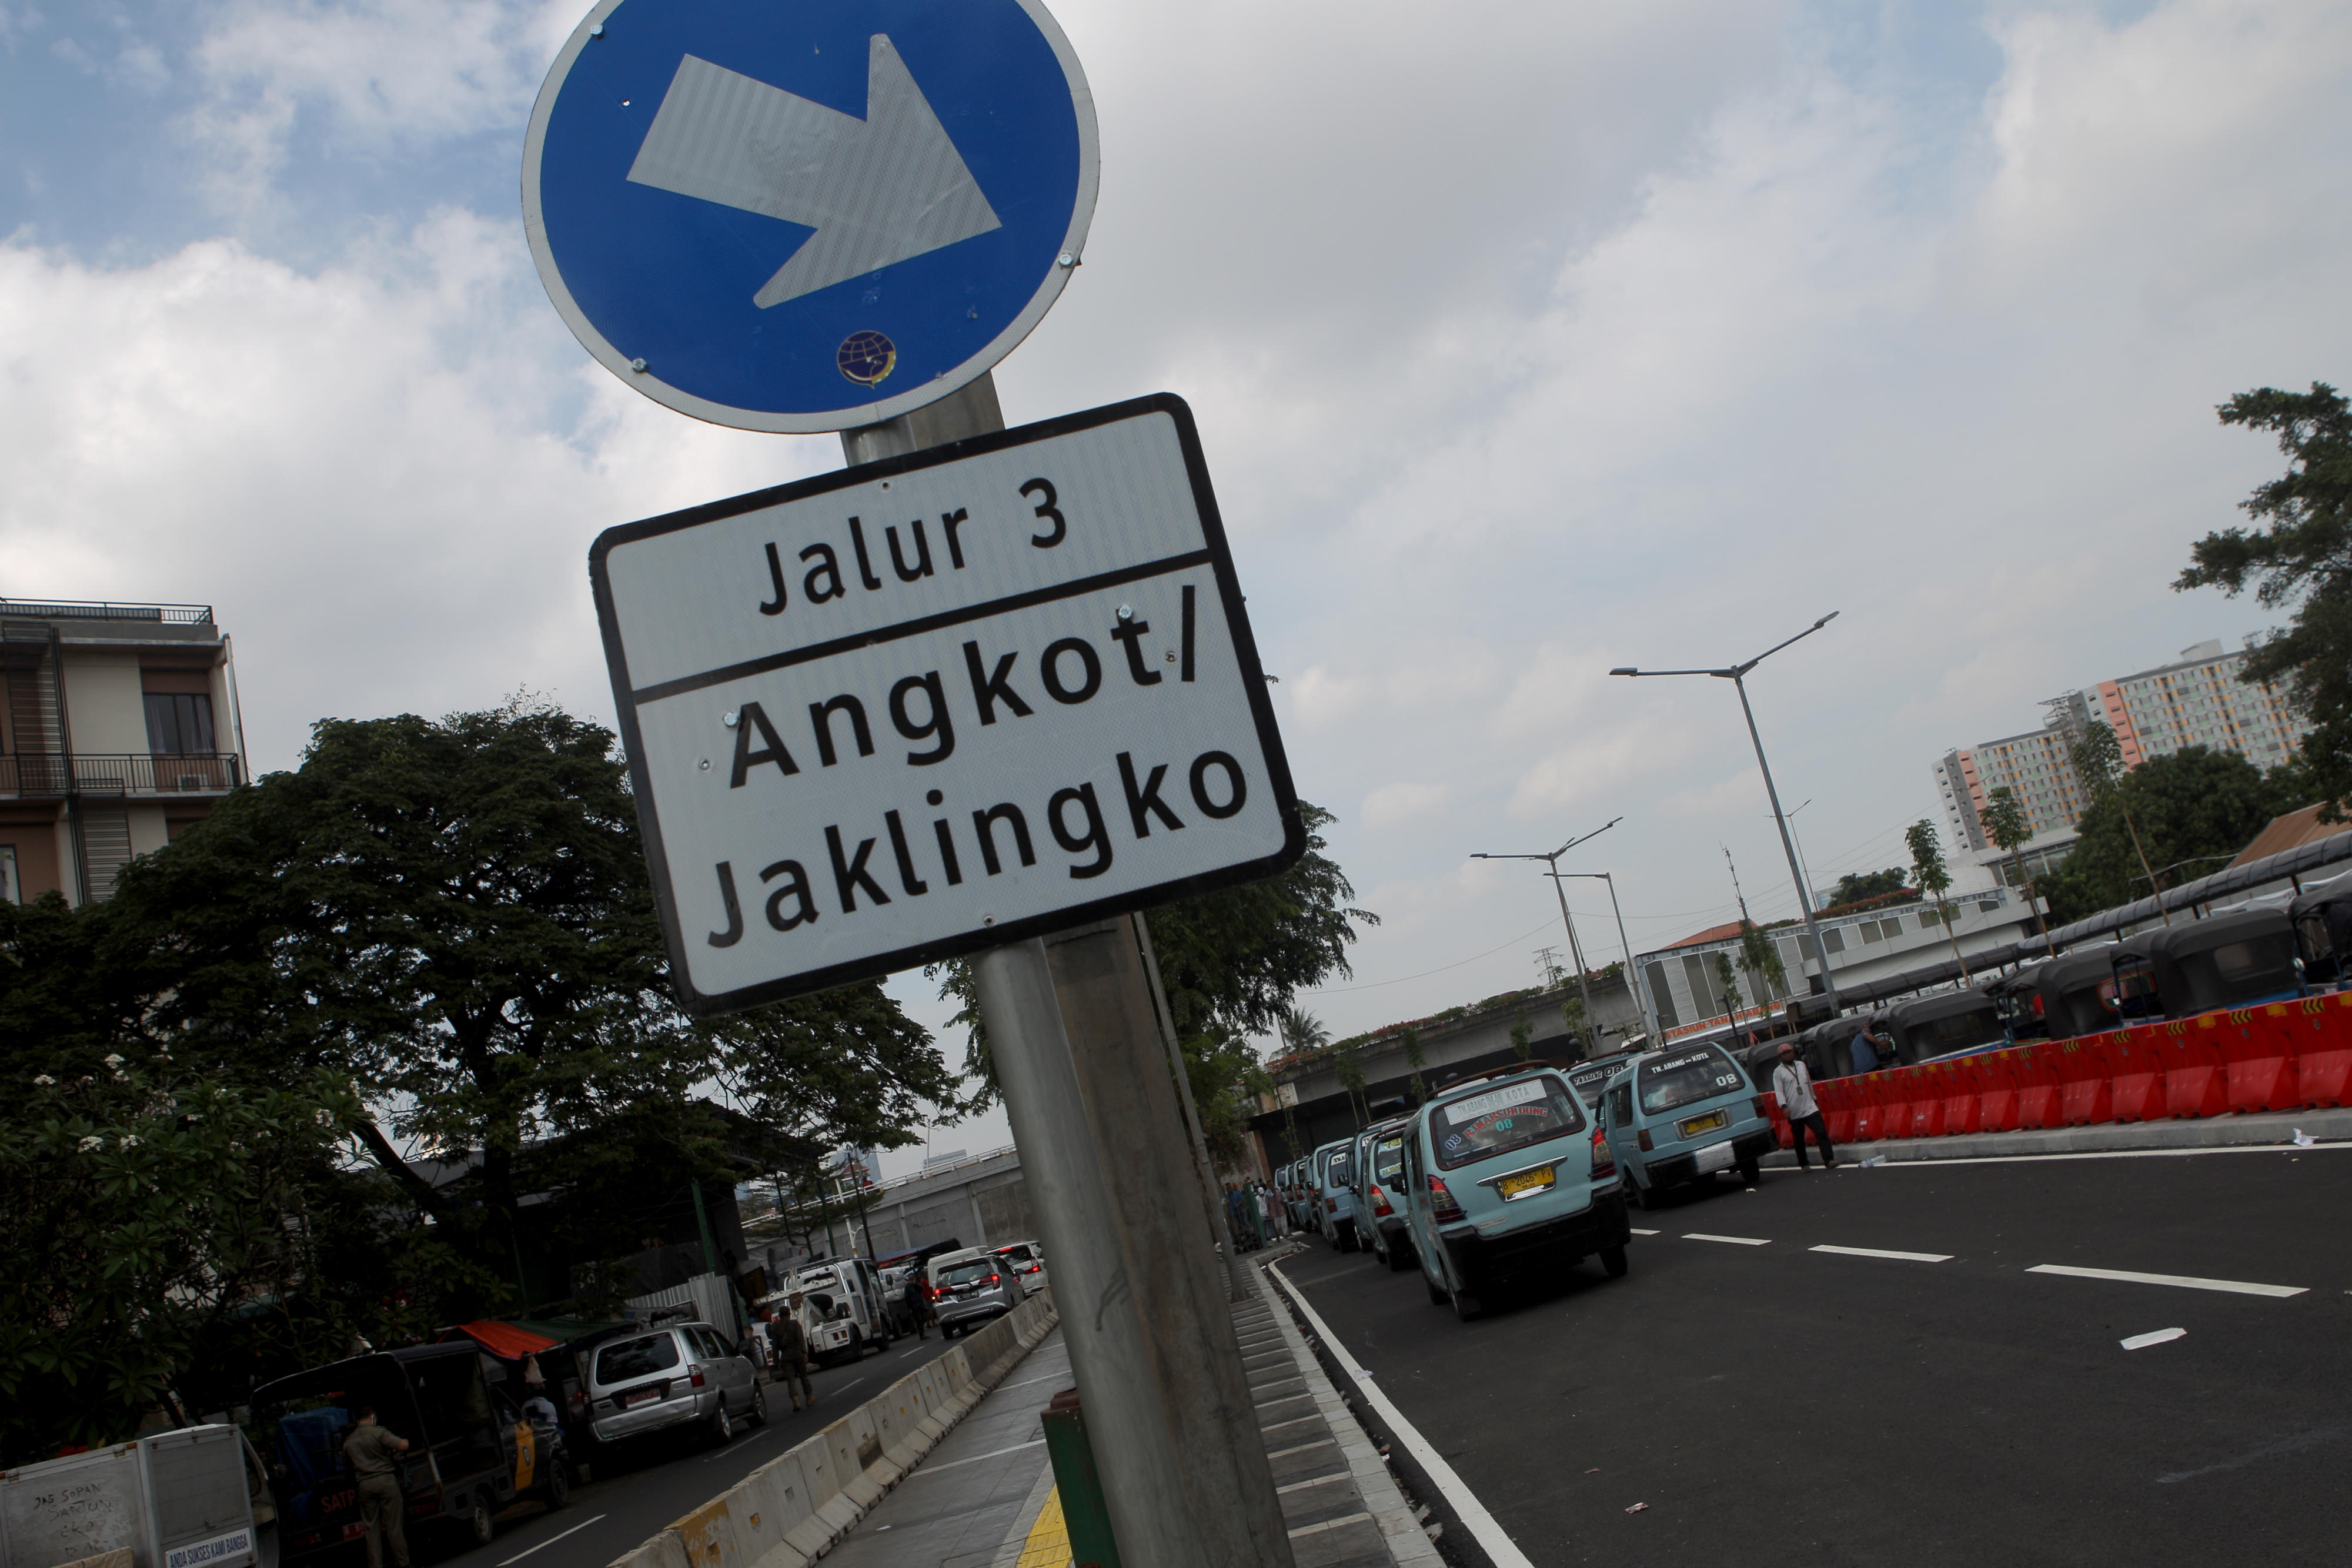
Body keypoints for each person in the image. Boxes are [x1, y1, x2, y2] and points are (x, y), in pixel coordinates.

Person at [341, 1407, 411, 1568]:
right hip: (385, 1481)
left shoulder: (348, 1441)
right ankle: (403, 1563)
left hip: (364, 1485)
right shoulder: (379, 1433)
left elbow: (347, 1468)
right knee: (394, 1526)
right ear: (372, 1417)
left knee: (371, 1530)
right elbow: (402, 1446)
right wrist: (406, 1441)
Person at [1772, 1041, 1836, 1169]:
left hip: (1809, 1106)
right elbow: (1779, 1092)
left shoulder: (1801, 1065)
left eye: (1790, 1052)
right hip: (1794, 1110)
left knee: (1821, 1132)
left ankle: (1829, 1160)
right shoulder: (1778, 1072)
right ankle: (1804, 1163)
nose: (1788, 1055)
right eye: (1785, 1054)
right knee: (1799, 1138)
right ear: (1780, 1057)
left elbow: (1809, 1083)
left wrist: (1814, 1098)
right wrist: (1784, 1106)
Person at [767, 1293, 815, 1412]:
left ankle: (796, 1402)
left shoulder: (776, 1328)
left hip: (786, 1357)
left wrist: (777, 1361)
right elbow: (801, 1340)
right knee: (804, 1377)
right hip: (798, 1354)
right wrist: (805, 1353)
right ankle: (809, 1398)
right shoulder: (795, 1324)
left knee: (791, 1380)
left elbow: (774, 1346)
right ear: (789, 1314)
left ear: (780, 1316)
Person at [901, 1269, 931, 1339]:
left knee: (922, 1319)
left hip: (920, 1304)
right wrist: (910, 1308)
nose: (912, 1281)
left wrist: (916, 1285)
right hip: (914, 1306)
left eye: (913, 1279)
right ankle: (921, 1335)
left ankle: (923, 1333)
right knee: (919, 1320)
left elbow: (921, 1289)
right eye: (911, 1279)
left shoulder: (916, 1285)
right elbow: (907, 1298)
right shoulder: (908, 1287)